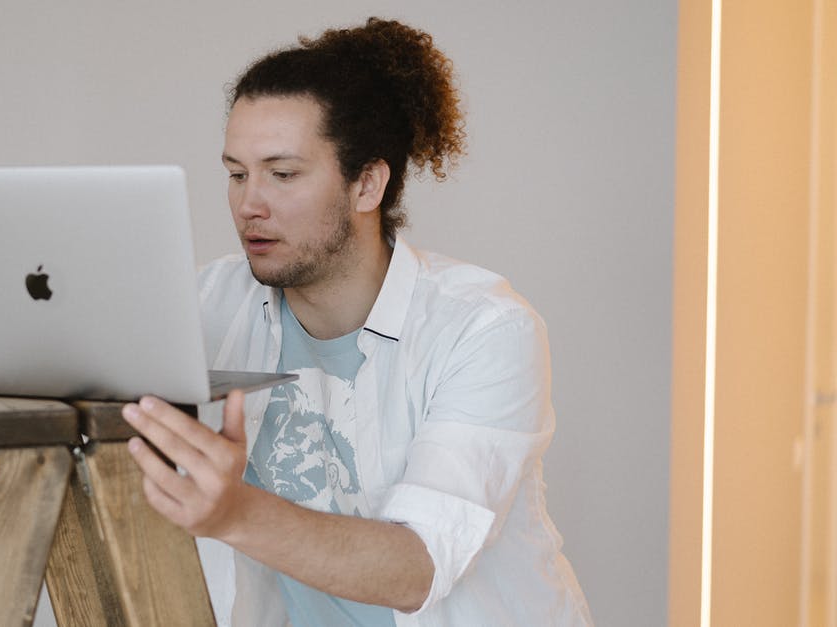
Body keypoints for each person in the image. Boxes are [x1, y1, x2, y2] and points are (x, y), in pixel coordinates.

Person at [120, 17, 593, 626]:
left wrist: (232, 512)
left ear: (367, 183)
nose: (248, 204)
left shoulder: (484, 330)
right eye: (237, 173)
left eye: (282, 174)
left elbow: (416, 566)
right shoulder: (206, 303)